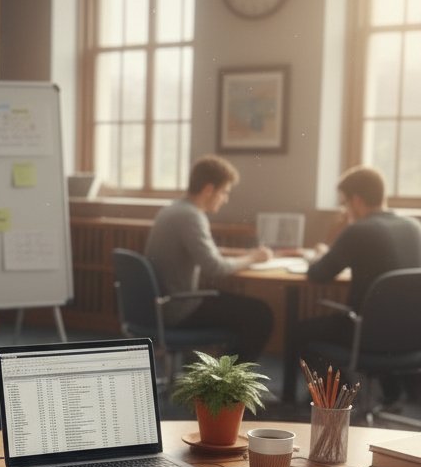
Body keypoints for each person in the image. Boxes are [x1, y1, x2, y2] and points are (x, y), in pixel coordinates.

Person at [296, 165, 421, 402]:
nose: (345, 210)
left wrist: (319, 254)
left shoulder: (359, 230)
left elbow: (318, 274)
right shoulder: (414, 226)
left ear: (356, 200)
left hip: (366, 335)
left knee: (301, 332)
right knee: (384, 319)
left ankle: (340, 400)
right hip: (412, 337)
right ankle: (389, 395)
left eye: (345, 203)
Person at [144, 154, 274, 361]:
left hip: (162, 306)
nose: (225, 198)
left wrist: (245, 254)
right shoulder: (192, 216)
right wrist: (253, 259)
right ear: (208, 190)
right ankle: (227, 385)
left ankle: (215, 375)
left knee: (249, 311)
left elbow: (206, 250)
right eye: (224, 192)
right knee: (261, 314)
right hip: (179, 309)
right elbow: (215, 268)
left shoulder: (173, 210)